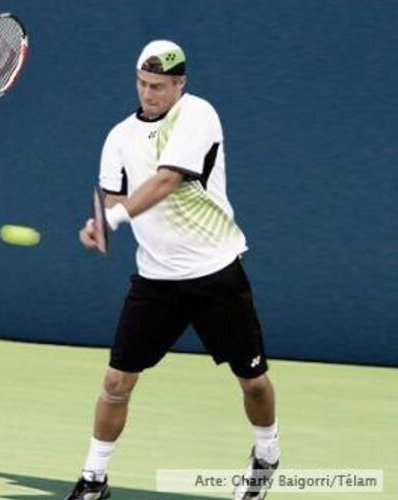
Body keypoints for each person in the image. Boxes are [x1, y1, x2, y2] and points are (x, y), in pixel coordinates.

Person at [65, 40, 280, 500]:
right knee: (116, 381)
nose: (149, 94)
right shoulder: (119, 135)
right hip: (156, 280)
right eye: (142, 84)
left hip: (215, 273)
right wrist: (101, 218)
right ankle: (93, 477)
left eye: (159, 86)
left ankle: (266, 453)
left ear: (180, 84)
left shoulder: (198, 115)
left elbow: (166, 180)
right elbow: (112, 197)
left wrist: (113, 219)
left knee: (254, 383)